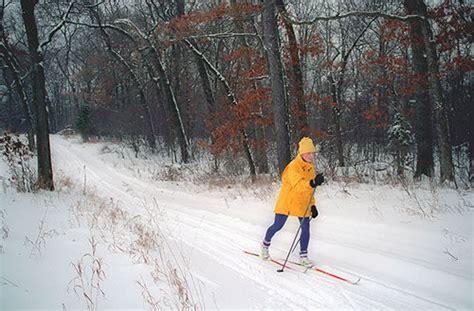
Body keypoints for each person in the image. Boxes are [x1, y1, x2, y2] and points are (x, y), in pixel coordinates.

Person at [261, 137, 324, 267]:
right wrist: (312, 183)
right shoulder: (293, 167)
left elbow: (309, 190)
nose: (311, 156)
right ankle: (265, 245)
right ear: (301, 153)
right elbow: (299, 185)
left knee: (306, 227)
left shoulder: (310, 168)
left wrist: (313, 205)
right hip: (287, 201)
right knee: (278, 225)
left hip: (302, 202)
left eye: (312, 153)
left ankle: (303, 256)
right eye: (308, 153)